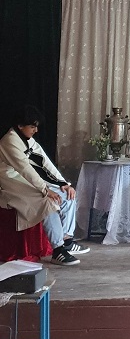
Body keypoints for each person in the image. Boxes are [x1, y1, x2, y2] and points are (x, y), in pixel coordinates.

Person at [0, 105, 90, 266]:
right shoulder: (9, 141)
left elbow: (45, 162)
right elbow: (25, 169)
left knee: (67, 195)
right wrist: (45, 190)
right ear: (20, 126)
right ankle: (58, 250)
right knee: (47, 201)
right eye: (32, 126)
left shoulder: (28, 139)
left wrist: (63, 183)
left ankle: (67, 240)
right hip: (13, 184)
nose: (35, 130)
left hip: (28, 181)